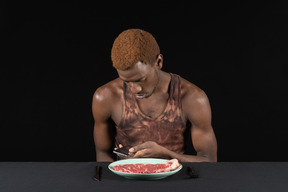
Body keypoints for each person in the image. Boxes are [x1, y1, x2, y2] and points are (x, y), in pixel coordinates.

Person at [92, 28, 217, 162]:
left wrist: (168, 155)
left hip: (177, 180)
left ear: (158, 62)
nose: (134, 90)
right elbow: (103, 154)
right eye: (126, 81)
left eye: (140, 79)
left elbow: (209, 160)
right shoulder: (106, 97)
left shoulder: (192, 97)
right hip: (126, 181)